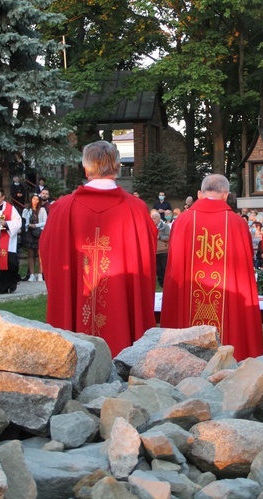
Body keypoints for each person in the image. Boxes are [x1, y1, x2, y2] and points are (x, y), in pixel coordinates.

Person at [39, 140, 157, 356]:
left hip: (76, 307)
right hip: (122, 307)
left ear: (85, 168)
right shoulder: (136, 209)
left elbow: (48, 253)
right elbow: (146, 260)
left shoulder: (62, 208)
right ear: (118, 167)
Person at [161, 174, 263, 361]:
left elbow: (174, 269)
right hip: (227, 301)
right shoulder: (237, 224)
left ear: (200, 194)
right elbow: (245, 267)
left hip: (189, 301)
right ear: (226, 195)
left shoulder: (183, 221)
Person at [24, 194, 47, 282]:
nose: (35, 201)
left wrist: (35, 225)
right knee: (30, 254)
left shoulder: (42, 210)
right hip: (29, 233)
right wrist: (28, 225)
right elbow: (24, 221)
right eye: (34, 199)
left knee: (40, 254)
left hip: (39, 233)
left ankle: (40, 274)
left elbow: (45, 221)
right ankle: (32, 274)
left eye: (37, 199)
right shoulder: (26, 210)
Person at [152, 210, 170, 287]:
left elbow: (169, 237)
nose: (153, 220)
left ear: (159, 218)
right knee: (158, 269)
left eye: (154, 218)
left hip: (164, 251)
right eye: (152, 218)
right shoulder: (150, 227)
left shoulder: (165, 226)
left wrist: (160, 237)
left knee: (164, 268)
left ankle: (166, 282)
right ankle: (161, 283)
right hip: (154, 251)